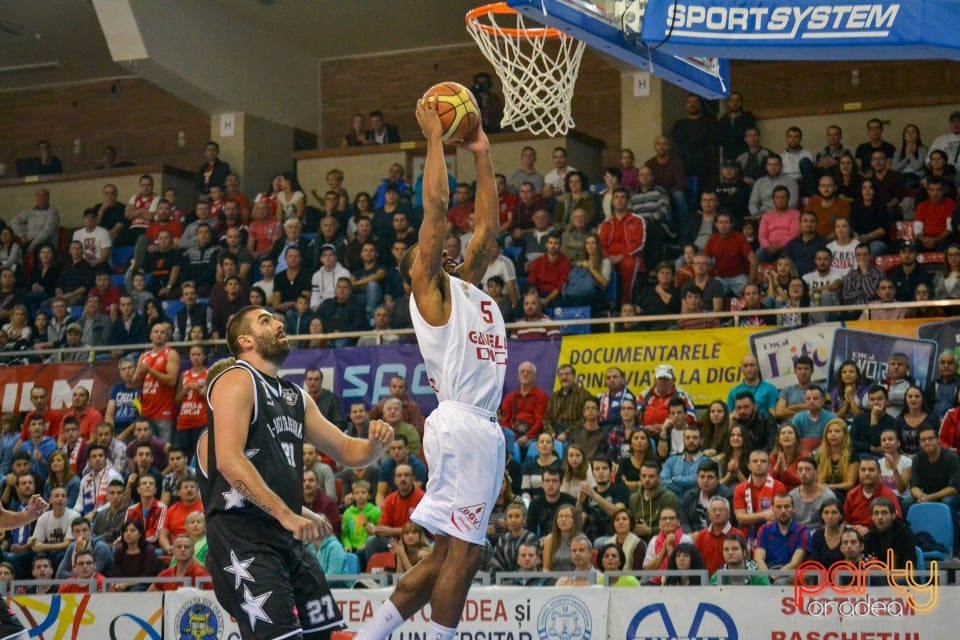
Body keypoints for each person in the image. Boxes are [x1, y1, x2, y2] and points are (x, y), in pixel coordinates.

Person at [733, 449, 787, 542]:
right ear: (749, 466)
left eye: (763, 461)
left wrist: (751, 517)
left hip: (772, 537)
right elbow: (740, 518)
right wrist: (764, 515)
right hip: (746, 539)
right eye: (755, 461)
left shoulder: (778, 486)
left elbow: (777, 515)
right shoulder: (740, 488)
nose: (759, 464)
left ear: (769, 466)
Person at [863, 498, 917, 569]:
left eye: (884, 513)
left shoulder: (904, 533)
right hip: (877, 577)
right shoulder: (869, 536)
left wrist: (887, 578)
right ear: (872, 517)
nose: (880, 517)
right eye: (876, 513)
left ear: (893, 515)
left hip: (900, 577)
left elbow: (911, 570)